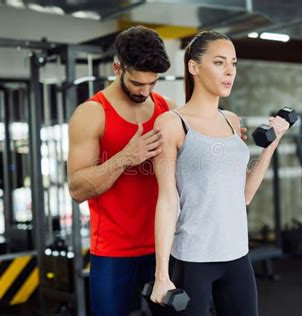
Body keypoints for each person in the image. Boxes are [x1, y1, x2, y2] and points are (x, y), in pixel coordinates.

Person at [150, 31, 290, 315]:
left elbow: (244, 195)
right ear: (194, 67)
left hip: (237, 255)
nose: (229, 71)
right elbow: (167, 201)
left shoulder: (231, 120)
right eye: (219, 62)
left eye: (234, 63)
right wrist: (161, 275)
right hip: (193, 259)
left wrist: (271, 145)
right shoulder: (171, 123)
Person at [67, 26, 177, 316]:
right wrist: (125, 157)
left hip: (163, 246)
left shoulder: (168, 110)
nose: (146, 91)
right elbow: (77, 189)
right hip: (114, 252)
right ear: (118, 68)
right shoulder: (91, 113)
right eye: (138, 83)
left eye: (152, 83)